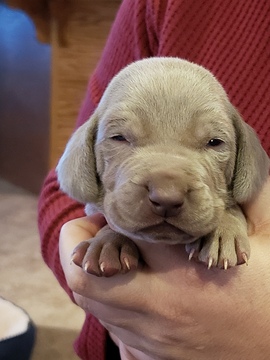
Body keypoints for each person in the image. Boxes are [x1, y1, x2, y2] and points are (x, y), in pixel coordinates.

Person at [38, 0, 270, 359]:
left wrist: (229, 218)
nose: (168, 193)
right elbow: (64, 192)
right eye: (120, 138)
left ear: (244, 153)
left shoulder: (246, 168)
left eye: (213, 142)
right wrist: (109, 255)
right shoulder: (161, 6)